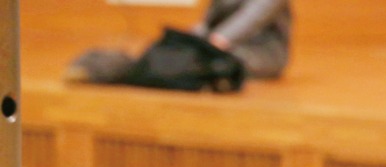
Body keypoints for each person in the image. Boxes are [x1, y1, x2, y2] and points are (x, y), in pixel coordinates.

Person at [64, 0, 291, 85]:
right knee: (175, 56)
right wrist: (187, 39)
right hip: (220, 46)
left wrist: (213, 42)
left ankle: (111, 71)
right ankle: (104, 67)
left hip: (259, 53)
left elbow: (254, 16)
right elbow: (208, 22)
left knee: (192, 64)